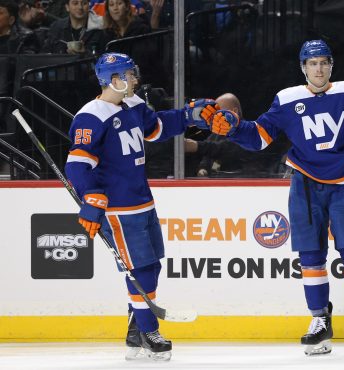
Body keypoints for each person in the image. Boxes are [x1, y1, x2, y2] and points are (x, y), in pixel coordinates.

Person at [206, 39, 344, 355]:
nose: (319, 68)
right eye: (312, 63)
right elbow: (259, 136)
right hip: (305, 185)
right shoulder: (287, 99)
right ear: (303, 68)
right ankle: (319, 319)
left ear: (331, 65)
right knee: (311, 257)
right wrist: (232, 128)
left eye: (324, 62)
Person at [64, 52, 214, 361]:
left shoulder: (133, 105)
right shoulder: (90, 116)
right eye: (129, 75)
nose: (135, 79)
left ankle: (135, 330)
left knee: (152, 264)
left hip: (142, 201)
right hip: (119, 208)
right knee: (141, 268)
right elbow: (77, 165)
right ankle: (148, 332)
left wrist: (187, 116)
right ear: (114, 80)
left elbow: (156, 127)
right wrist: (91, 196)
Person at [185, 92, 290, 177]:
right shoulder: (216, 134)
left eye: (218, 112)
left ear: (233, 111)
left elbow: (229, 149)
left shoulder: (251, 133)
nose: (214, 117)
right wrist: (203, 169)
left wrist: (196, 146)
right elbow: (208, 156)